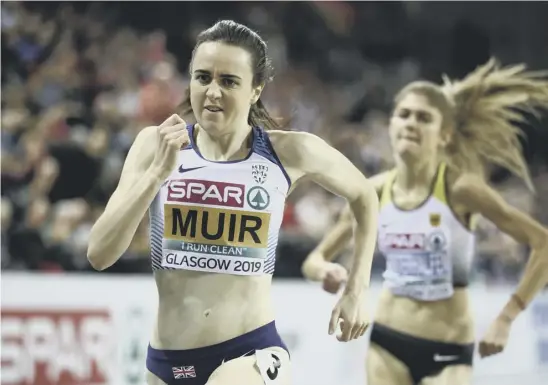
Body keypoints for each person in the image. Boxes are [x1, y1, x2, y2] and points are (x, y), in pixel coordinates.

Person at [87, 20, 379, 385]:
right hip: (166, 362)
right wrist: (156, 176)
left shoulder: (286, 152)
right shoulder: (155, 145)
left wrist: (358, 289)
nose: (212, 91)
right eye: (203, 77)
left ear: (255, 90)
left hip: (249, 352)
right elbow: (99, 254)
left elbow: (365, 195)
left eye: (228, 81)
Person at [302, 58, 548, 385]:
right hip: (388, 341)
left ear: (445, 135)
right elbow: (313, 259)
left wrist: (507, 316)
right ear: (390, 125)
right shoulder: (373, 191)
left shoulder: (461, 189)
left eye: (424, 117)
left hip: (448, 347)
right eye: (403, 115)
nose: (411, 124)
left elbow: (542, 242)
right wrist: (326, 270)